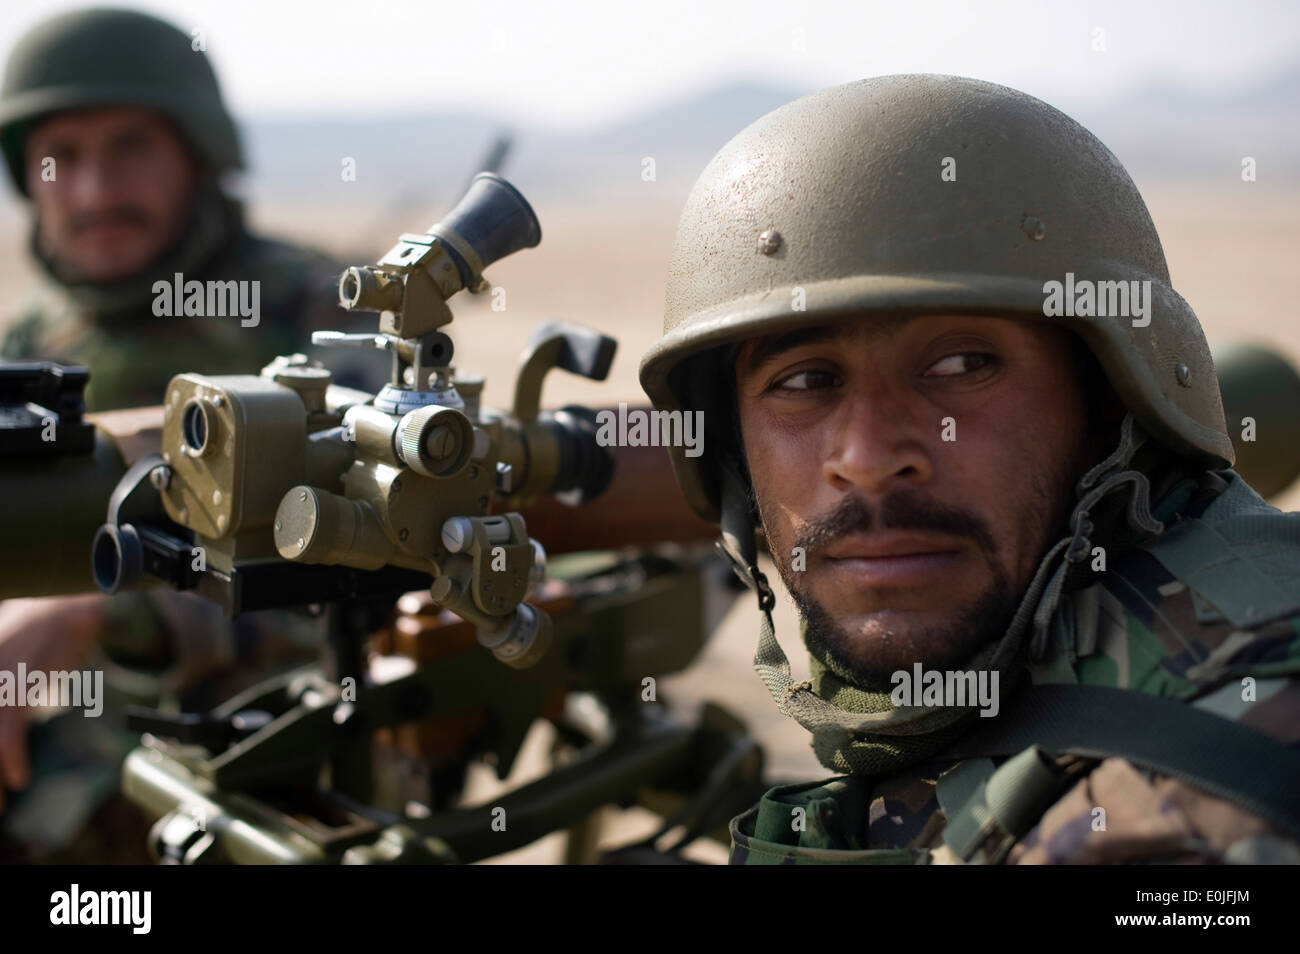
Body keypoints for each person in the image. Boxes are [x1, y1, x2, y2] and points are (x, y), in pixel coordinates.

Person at [639, 74, 1300, 864]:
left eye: (960, 364)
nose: (869, 461)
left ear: (1114, 404)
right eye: (807, 382)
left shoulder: (1207, 796)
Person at [0, 8, 368, 861]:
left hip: (254, 770)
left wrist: (92, 605)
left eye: (129, 147)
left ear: (199, 157)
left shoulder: (318, 315)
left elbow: (368, 564)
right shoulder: (32, 344)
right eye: (65, 158)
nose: (93, 192)